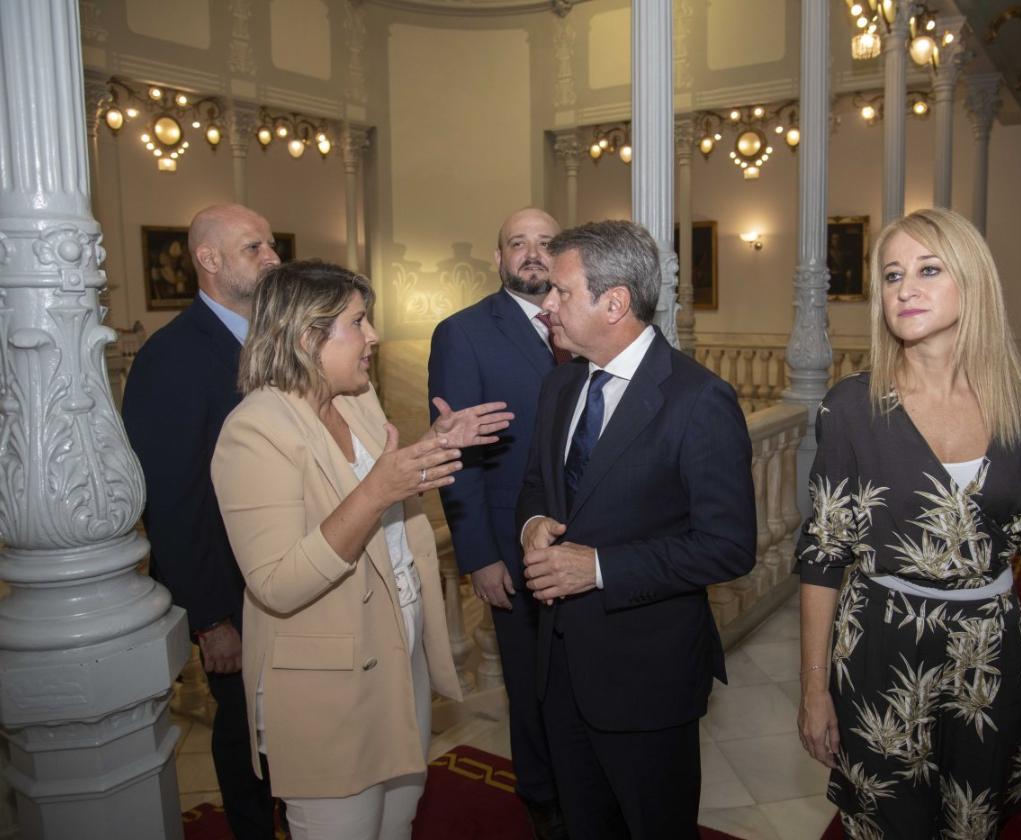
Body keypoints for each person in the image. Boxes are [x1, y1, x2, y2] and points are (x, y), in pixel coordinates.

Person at [795, 208, 1021, 839]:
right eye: (891, 275)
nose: (904, 287)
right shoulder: (852, 408)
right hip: (881, 653)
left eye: (928, 269)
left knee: (975, 824)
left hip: (987, 656)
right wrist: (813, 688)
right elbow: (824, 556)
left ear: (973, 281)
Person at [210, 260, 513, 839]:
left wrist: (431, 449)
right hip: (328, 689)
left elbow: (383, 487)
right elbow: (277, 580)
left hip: (397, 653)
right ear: (307, 336)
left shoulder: (355, 398)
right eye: (357, 322)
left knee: (396, 824)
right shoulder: (256, 430)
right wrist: (379, 488)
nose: (374, 336)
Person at [517, 220, 756, 839]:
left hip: (647, 677)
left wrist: (596, 568)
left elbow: (729, 545)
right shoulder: (560, 383)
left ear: (614, 301)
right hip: (560, 666)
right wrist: (534, 525)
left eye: (561, 291)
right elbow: (539, 486)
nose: (546, 305)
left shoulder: (698, 400)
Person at [123, 203, 281, 839]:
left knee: (285, 733)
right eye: (254, 248)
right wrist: (213, 617)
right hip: (232, 591)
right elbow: (173, 499)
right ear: (209, 260)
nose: (272, 256)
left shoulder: (277, 340)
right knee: (245, 737)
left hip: (285, 574)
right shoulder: (172, 357)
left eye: (271, 244)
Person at [427, 207, 567, 838]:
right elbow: (457, 458)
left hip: (587, 543)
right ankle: (542, 799)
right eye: (519, 243)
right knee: (531, 684)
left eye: (546, 243)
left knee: (579, 677)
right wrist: (479, 556)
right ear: (499, 258)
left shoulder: (586, 319)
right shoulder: (463, 334)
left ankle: (584, 785)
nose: (532, 253)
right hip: (511, 548)